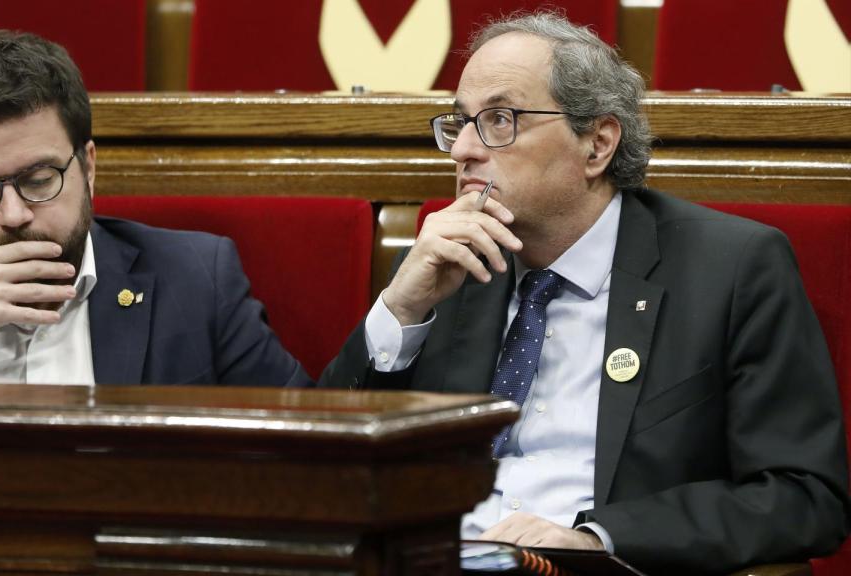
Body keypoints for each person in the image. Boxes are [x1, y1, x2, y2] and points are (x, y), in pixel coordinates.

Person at [318, 11, 849, 574]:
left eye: (499, 120)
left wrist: (601, 538)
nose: (462, 151)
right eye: (461, 122)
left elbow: (802, 497)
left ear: (597, 145)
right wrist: (400, 308)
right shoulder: (444, 269)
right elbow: (319, 472)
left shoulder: (732, 268)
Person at [0, 31, 311, 388]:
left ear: (88, 167)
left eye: (39, 180)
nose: (13, 214)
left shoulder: (196, 282)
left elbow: (311, 456)